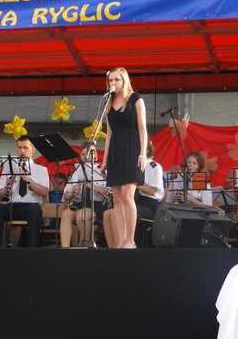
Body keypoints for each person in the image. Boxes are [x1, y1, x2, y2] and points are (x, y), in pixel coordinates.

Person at [99, 67, 148, 249]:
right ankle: (121, 239)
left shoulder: (136, 99)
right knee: (116, 197)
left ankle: (130, 240)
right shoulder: (109, 101)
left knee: (127, 194)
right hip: (115, 150)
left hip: (132, 148)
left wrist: (142, 154)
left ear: (124, 80)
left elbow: (142, 129)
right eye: (111, 80)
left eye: (117, 80)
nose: (113, 83)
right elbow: (109, 133)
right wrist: (105, 159)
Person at [0, 135, 50, 247]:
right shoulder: (8, 168)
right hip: (12, 206)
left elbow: (44, 192)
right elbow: (0, 195)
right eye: (19, 147)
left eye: (25, 147)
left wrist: (27, 180)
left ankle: (32, 248)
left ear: (33, 149)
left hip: (30, 206)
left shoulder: (41, 169)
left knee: (35, 210)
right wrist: (7, 184)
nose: (22, 151)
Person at [103, 141, 164, 247]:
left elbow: (153, 190)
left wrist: (133, 184)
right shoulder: (131, 166)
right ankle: (112, 247)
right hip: (135, 201)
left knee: (114, 214)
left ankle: (122, 245)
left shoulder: (154, 167)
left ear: (146, 150)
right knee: (107, 214)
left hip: (149, 204)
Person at [59, 142, 110, 248]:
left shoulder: (103, 171)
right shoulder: (76, 172)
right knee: (66, 214)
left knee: (82, 214)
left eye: (90, 153)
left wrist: (93, 186)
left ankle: (85, 245)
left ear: (95, 155)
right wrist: (71, 191)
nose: (86, 156)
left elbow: (110, 191)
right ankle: (65, 248)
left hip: (97, 205)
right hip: (80, 204)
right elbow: (65, 197)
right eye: (83, 154)